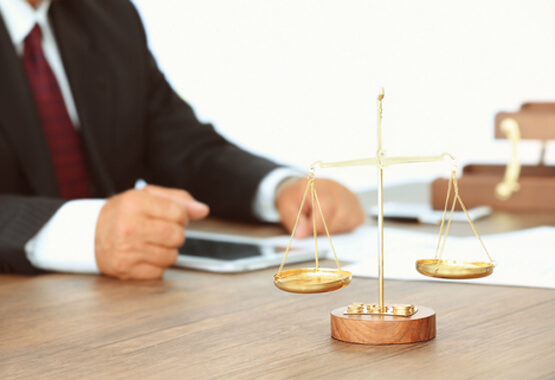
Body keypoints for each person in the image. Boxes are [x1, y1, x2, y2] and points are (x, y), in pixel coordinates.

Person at [0, 0, 365, 280]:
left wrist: (281, 188)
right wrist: (81, 233)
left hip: (120, 313)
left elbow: (182, 147)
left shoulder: (108, 16)